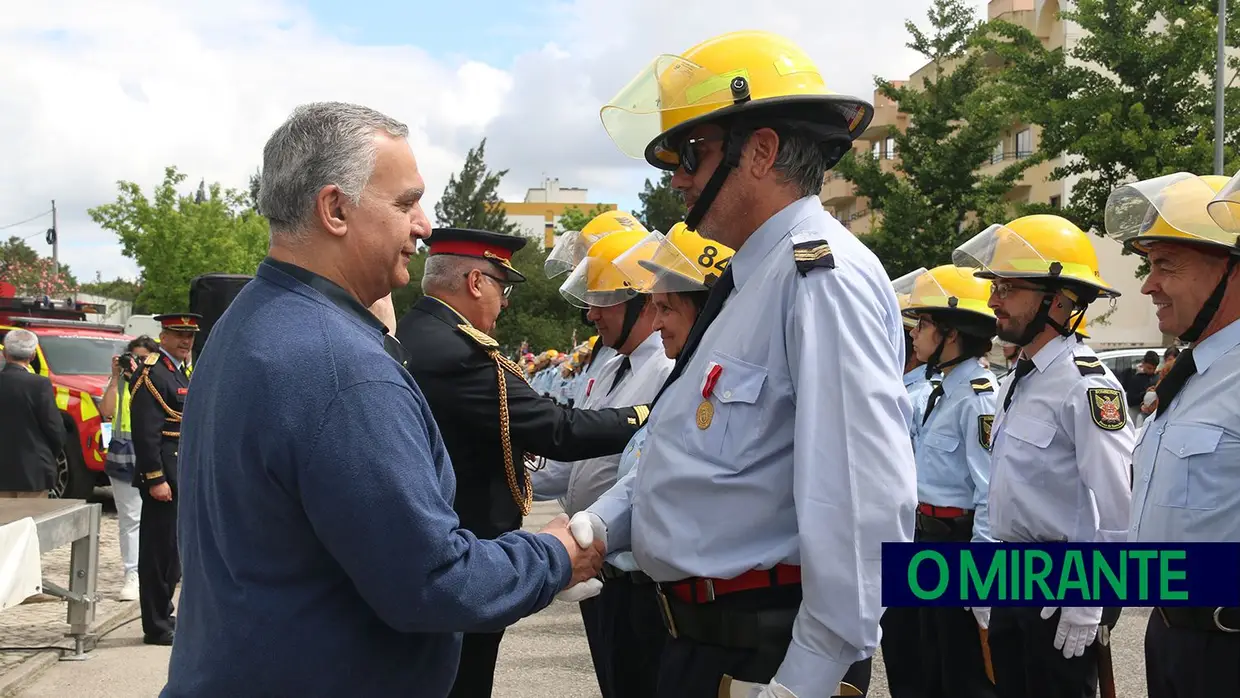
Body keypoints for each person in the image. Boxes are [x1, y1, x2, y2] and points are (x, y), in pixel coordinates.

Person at [163, 102, 603, 698]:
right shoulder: (340, 364)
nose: (423, 225)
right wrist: (553, 555)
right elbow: (434, 583)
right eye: (404, 203)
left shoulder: (252, 320)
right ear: (335, 209)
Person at [573, 31, 917, 698]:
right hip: (705, 646)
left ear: (759, 152)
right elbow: (686, 458)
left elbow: (862, 503)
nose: (677, 177)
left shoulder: (821, 277)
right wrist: (602, 525)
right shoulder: (747, 280)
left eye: (693, 153)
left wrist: (808, 681)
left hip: (767, 661)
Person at [394, 226, 652, 698]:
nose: (505, 302)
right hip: (466, 552)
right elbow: (559, 429)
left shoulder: (421, 334)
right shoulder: (457, 352)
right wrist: (649, 414)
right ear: (475, 282)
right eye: (502, 286)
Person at [951, 214, 1134, 698]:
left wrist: (1090, 598)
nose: (992, 301)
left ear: (1057, 300)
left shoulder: (1086, 384)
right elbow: (1001, 489)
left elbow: (1117, 505)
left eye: (1007, 288)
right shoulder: (1018, 381)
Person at [1104, 171, 1240, 697]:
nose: (1147, 284)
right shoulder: (1191, 375)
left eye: (1165, 265)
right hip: (1169, 634)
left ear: (1231, 269)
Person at [533, 225, 676, 698]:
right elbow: (575, 457)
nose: (591, 313)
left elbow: (645, 479)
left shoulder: (668, 368)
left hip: (637, 575)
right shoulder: (611, 365)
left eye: (603, 299)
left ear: (640, 302)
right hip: (597, 566)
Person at [902, 265, 999, 698]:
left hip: (957, 546)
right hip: (928, 540)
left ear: (951, 334)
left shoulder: (978, 396)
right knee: (929, 667)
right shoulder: (943, 389)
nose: (914, 333)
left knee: (964, 676)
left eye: (923, 324)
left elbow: (988, 493)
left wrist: (982, 577)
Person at [129, 313, 198, 645]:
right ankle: (155, 624)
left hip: (180, 470)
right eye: (178, 334)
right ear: (164, 335)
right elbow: (146, 432)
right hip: (163, 475)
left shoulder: (180, 369)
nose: (185, 341)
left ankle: (164, 614)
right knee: (158, 553)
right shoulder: (151, 373)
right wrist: (155, 478)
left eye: (190, 336)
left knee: (174, 552)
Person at [99, 334, 160, 601]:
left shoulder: (159, 380)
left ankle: (162, 572)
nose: (138, 363)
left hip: (155, 455)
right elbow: (106, 412)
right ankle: (132, 574)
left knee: (161, 518)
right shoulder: (121, 382)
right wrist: (115, 378)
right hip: (124, 455)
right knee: (130, 519)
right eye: (134, 357)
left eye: (144, 359)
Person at [0, 329, 66, 498]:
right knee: (30, 522)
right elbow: (55, 429)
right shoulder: (39, 385)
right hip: (33, 472)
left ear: (4, 352)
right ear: (33, 356)